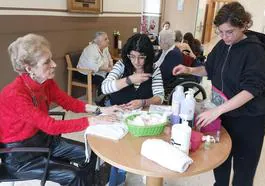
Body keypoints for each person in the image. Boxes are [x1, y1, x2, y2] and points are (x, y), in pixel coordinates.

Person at [0, 33, 121, 186]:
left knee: (92, 153)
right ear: (29, 68)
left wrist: (100, 110)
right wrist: (93, 121)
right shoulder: (15, 94)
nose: (54, 64)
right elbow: (50, 126)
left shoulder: (45, 82)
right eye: (46, 62)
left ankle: (92, 182)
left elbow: (68, 102)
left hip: (44, 140)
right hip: (21, 156)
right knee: (74, 175)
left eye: (51, 58)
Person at [173, 2, 265, 186]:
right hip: (226, 112)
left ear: (244, 25)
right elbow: (210, 69)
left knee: (243, 167)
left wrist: (216, 111)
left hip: (250, 118)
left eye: (230, 32)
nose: (224, 37)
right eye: (221, 32)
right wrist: (188, 69)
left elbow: (251, 90)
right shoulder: (223, 45)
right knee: (221, 158)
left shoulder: (255, 52)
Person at [101, 33, 165, 186]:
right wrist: (130, 80)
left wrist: (144, 101)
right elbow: (105, 87)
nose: (137, 62)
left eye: (141, 57)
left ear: (148, 56)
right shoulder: (122, 65)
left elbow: (160, 96)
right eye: (133, 56)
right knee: (116, 152)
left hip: (140, 119)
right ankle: (116, 179)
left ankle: (142, 174)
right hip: (118, 116)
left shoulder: (154, 69)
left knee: (141, 149)